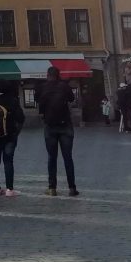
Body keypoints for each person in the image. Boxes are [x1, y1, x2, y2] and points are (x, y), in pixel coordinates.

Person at [38, 67, 78, 197]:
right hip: (65, 124)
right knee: (68, 157)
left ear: (47, 75)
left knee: (52, 157)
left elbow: (38, 101)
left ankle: (52, 188)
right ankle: (72, 188)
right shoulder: (64, 86)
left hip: (50, 125)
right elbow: (71, 98)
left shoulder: (42, 87)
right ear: (58, 75)